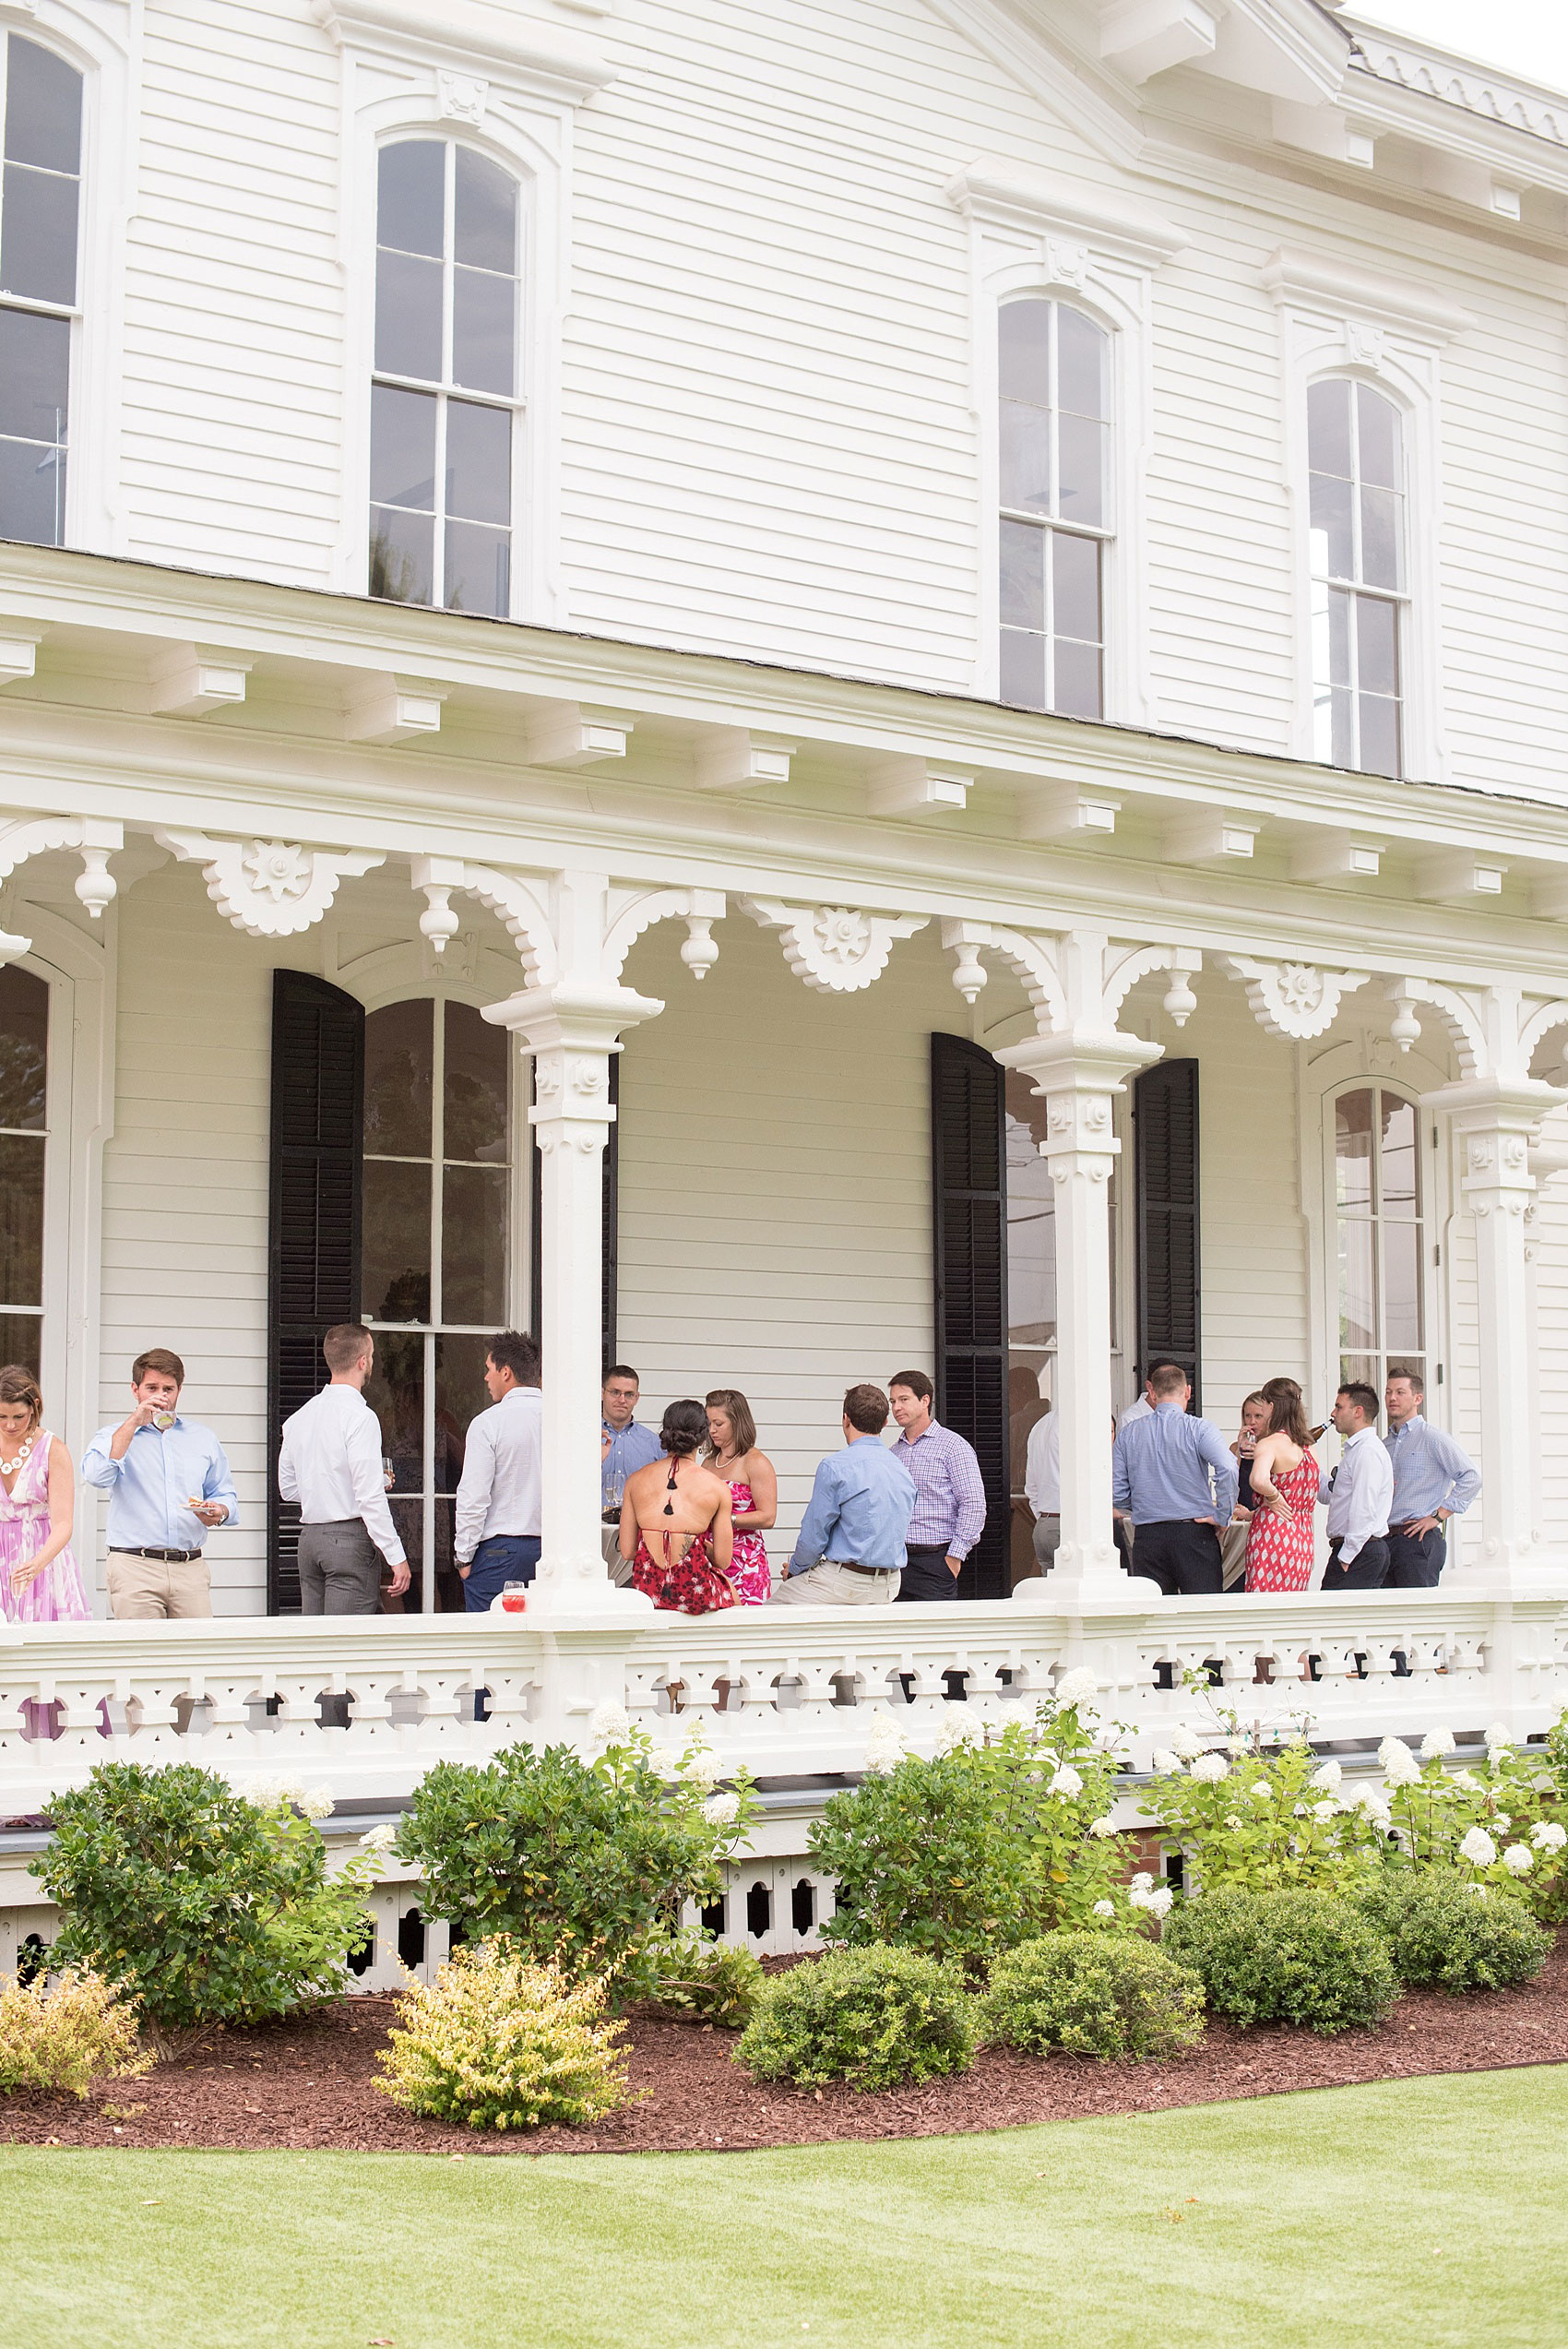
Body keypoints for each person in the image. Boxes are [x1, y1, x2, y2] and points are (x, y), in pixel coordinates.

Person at [81, 1347, 239, 1619]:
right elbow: (96, 1475)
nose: (161, 1396)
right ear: (135, 1390)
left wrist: (220, 1511)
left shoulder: (203, 1438)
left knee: (198, 1655)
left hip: (190, 1567)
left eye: (168, 1389)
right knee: (142, 1657)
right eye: (151, 1387)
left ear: (179, 1390)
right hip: (134, 1566)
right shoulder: (113, 1435)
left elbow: (225, 1492)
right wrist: (134, 1422)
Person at [278, 1324, 410, 1614]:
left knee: (316, 1642)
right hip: (347, 1541)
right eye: (372, 1355)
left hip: (310, 1541)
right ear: (363, 1361)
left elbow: (288, 1489)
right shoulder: (360, 1417)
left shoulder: (299, 1418)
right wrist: (395, 1556)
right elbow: (369, 1497)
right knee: (346, 1644)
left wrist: (333, 1490)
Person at [773, 1385, 916, 1606]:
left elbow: (813, 1539)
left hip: (847, 1581)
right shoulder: (902, 1469)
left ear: (845, 1419)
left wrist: (794, 1571)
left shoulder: (835, 1466)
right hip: (889, 1584)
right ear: (885, 1423)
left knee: (771, 1612)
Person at [1111, 1364, 1236, 1595]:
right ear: (1187, 1391)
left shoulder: (1129, 1433)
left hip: (1148, 1537)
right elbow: (1228, 1468)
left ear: (1153, 1393)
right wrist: (1222, 1515)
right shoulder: (1199, 1429)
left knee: (1154, 1617)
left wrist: (1144, 1503)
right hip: (1193, 1532)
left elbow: (1116, 1493)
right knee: (1203, 1614)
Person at [454, 1331, 542, 1614]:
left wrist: (463, 1557)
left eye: (488, 1369)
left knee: (489, 1645)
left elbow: (474, 1497)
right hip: (555, 1553)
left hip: (500, 1552)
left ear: (506, 1372)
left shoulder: (488, 1423)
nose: (485, 1377)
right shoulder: (563, 1419)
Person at [620, 1399, 735, 1615]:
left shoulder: (635, 1481)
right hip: (694, 1593)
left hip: (647, 1591)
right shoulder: (717, 1488)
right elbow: (723, 1560)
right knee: (732, 1592)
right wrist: (700, 1545)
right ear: (703, 1437)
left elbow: (628, 1551)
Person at [0, 1365, 89, 1626]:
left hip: (41, 1559)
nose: (9, 1425)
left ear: (34, 1406)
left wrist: (36, 1566)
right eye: (1, 1416)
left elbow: (63, 1524)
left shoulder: (53, 1449)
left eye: (19, 1416)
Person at [887, 1370, 985, 1601]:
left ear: (925, 1401)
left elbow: (974, 1504)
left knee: (935, 1635)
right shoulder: (893, 1453)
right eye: (892, 1401)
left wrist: (954, 1558)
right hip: (895, 1564)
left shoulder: (953, 1447)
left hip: (936, 1561)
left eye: (904, 1399)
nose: (896, 1408)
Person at [1384, 1367, 1479, 1586]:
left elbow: (1471, 1477)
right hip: (1385, 1541)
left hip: (1418, 1542)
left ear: (1418, 1398)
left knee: (1417, 1615)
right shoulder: (1384, 1445)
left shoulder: (1433, 1438)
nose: (1392, 1398)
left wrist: (1437, 1517)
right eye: (1389, 1392)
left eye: (1400, 1392)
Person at [1242, 1377, 1322, 1593]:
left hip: (1273, 1533)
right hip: (1302, 1537)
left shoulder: (1270, 1443)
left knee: (1263, 1604)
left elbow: (1258, 1479)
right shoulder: (1308, 1448)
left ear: (1272, 1406)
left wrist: (1274, 1497)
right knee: (1291, 1606)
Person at [703, 1389, 777, 1604]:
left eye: (718, 1423)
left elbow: (768, 1517)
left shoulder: (756, 1462)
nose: (711, 1430)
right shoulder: (708, 1462)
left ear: (737, 1422)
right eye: (708, 1423)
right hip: (711, 1558)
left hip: (745, 1563)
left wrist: (726, 1521)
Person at [1321, 1382, 1395, 1589]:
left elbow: (1365, 1508)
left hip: (1360, 1550)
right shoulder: (1357, 1450)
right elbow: (1333, 1495)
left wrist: (1346, 1557)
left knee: (1332, 1618)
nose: (1333, 1413)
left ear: (1357, 1411)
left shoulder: (1367, 1451)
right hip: (1359, 1549)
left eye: (1339, 1407)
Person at [601, 1365, 663, 1571]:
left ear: (637, 1398)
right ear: (602, 1393)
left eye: (629, 1394)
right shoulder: (583, 1437)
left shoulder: (653, 1443)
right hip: (589, 1539)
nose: (622, 1400)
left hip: (638, 1541)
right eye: (615, 1392)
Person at [1219, 1392, 1269, 1592]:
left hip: (1260, 1519)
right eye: (1247, 1416)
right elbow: (1229, 1484)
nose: (1252, 1421)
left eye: (1258, 1416)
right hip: (1239, 1520)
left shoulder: (1271, 1449)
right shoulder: (1236, 1447)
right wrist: (1238, 1452)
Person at [1024, 1404, 1060, 1579]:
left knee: (1052, 1598)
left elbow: (1031, 1487)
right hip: (1065, 1526)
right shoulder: (1077, 1425)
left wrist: (1045, 1518)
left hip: (1044, 1525)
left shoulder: (1041, 1425)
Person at [1116, 1360, 1186, 1430]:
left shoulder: (1184, 1420)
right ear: (1150, 1387)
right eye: (1165, 1389)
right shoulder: (1129, 1419)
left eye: (1176, 1390)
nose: (1171, 1396)